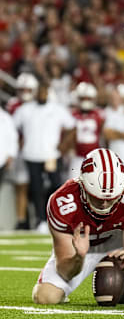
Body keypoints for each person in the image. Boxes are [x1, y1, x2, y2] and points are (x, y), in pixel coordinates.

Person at [32, 148, 124, 305]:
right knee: (45, 297)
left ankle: (123, 286)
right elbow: (64, 270)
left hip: (117, 244)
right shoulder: (62, 202)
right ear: (83, 186)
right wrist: (79, 257)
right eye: (98, 199)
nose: (105, 204)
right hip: (80, 249)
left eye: (112, 199)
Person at [14, 80, 76, 233]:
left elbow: (72, 127)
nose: (42, 94)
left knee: (56, 186)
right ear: (35, 93)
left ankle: (56, 218)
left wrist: (64, 145)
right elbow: (13, 128)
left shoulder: (57, 109)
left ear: (48, 93)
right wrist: (20, 144)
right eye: (39, 92)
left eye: (44, 92)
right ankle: (41, 220)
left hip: (51, 155)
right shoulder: (25, 109)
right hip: (31, 155)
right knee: (36, 189)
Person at [6, 73, 39, 229]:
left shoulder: (39, 105)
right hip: (18, 150)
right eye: (22, 89)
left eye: (28, 89)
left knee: (37, 187)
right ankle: (23, 220)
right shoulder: (13, 105)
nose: (25, 92)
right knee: (20, 185)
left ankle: (38, 220)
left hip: (36, 149)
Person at [68, 82, 104, 178]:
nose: (85, 101)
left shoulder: (99, 114)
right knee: (73, 184)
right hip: (77, 156)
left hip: (94, 157)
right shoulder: (71, 115)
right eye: (83, 98)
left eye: (88, 98)